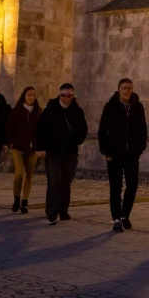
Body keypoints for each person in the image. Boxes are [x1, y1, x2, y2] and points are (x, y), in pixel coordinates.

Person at [99, 78, 148, 232]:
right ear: (119, 89)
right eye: (124, 88)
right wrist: (106, 150)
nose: (127, 91)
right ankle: (117, 218)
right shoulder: (110, 106)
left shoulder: (138, 107)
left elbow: (142, 129)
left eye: (129, 88)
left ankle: (125, 214)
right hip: (114, 153)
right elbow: (103, 130)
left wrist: (140, 148)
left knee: (132, 184)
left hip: (132, 154)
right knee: (115, 186)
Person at [36, 83, 89, 225]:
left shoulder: (77, 111)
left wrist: (78, 140)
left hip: (70, 152)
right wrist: (40, 148)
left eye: (69, 95)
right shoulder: (50, 110)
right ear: (59, 94)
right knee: (55, 181)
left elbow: (83, 128)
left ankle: (63, 209)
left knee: (66, 181)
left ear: (73, 95)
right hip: (53, 152)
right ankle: (51, 211)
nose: (66, 98)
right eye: (63, 95)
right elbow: (40, 129)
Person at [5, 86, 41, 214]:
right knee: (19, 173)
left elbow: (42, 130)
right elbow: (9, 127)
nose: (31, 97)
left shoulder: (38, 111)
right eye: (29, 95)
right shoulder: (17, 110)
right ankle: (16, 198)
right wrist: (10, 142)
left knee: (29, 175)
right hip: (18, 147)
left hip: (32, 149)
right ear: (24, 96)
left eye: (33, 95)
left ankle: (25, 201)